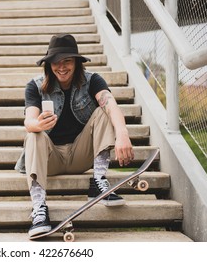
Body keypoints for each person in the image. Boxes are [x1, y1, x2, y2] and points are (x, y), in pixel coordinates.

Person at [14, 34, 134, 237]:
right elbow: (29, 122)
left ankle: (98, 181)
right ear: (48, 64)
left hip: (81, 155)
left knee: (103, 111)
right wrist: (38, 124)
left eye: (67, 61)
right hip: (50, 160)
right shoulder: (35, 86)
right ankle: (39, 209)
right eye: (56, 62)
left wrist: (122, 134)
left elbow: (110, 104)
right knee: (34, 134)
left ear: (77, 62)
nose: (61, 67)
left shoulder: (92, 80)